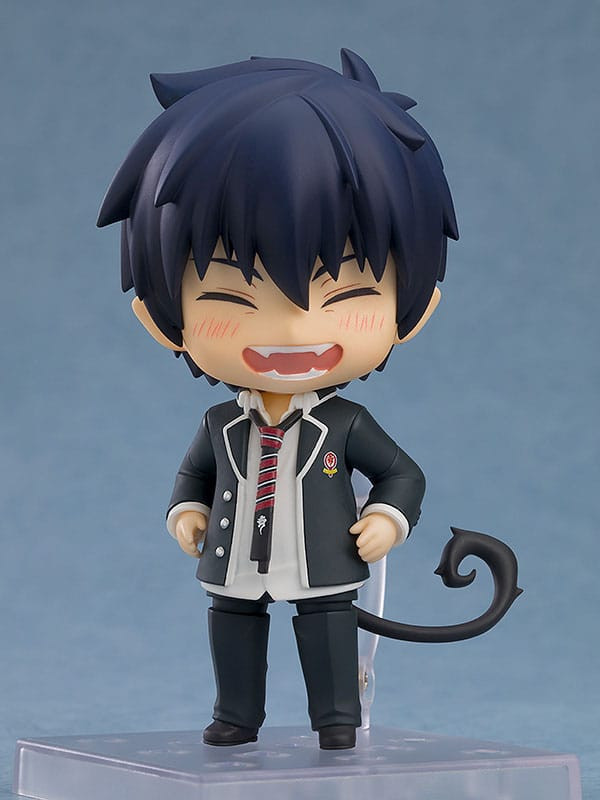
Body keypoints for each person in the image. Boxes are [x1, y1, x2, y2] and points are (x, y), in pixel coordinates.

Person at [97, 48, 458, 749]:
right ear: (161, 316)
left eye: (346, 292)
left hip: (322, 562)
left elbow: (402, 474)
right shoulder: (220, 424)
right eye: (234, 295)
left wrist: (387, 519)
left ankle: (336, 719)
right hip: (236, 560)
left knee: (327, 632)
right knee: (233, 628)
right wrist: (185, 511)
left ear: (411, 309)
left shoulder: (346, 423)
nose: (294, 329)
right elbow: (192, 476)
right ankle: (237, 714)